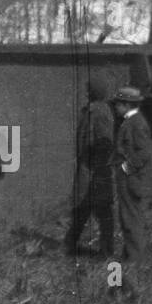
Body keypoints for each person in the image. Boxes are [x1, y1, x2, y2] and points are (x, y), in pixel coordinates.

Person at [65, 73, 116, 257]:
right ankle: (75, 246)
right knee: (91, 209)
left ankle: (103, 250)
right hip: (91, 169)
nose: (86, 92)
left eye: (89, 89)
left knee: (95, 210)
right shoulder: (96, 110)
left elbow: (104, 142)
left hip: (93, 169)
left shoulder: (97, 111)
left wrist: (94, 160)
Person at [111, 85, 152, 285]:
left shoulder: (136, 124)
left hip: (132, 180)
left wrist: (128, 167)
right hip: (128, 180)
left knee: (131, 220)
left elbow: (145, 153)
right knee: (128, 218)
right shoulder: (131, 121)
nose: (116, 107)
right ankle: (130, 257)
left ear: (127, 104)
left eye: (118, 104)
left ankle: (135, 263)